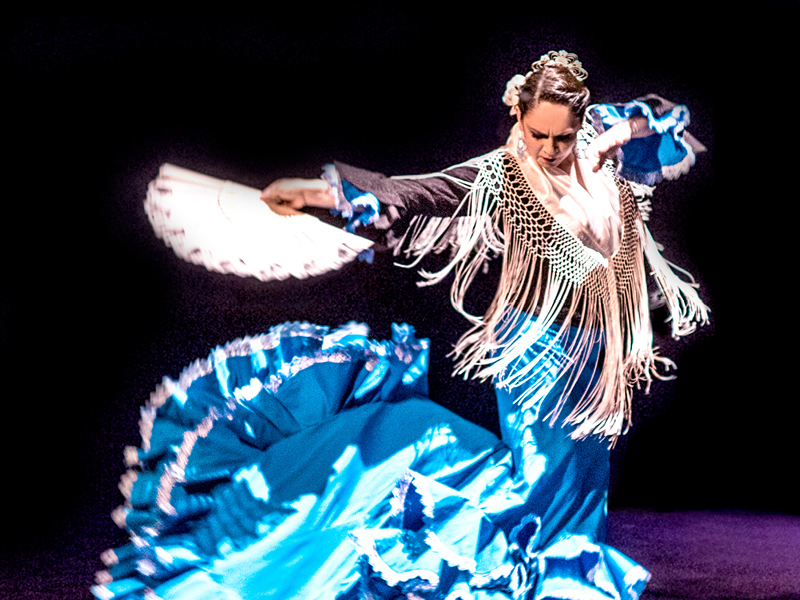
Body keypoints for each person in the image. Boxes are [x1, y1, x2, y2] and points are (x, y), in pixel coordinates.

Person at [93, 51, 707, 600]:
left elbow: (660, 119)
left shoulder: (596, 144)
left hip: (598, 356)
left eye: (563, 136)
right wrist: (318, 195)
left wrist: (621, 132)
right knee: (542, 490)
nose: (549, 149)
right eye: (537, 133)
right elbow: (407, 195)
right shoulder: (499, 178)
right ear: (518, 118)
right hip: (537, 356)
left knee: (578, 492)